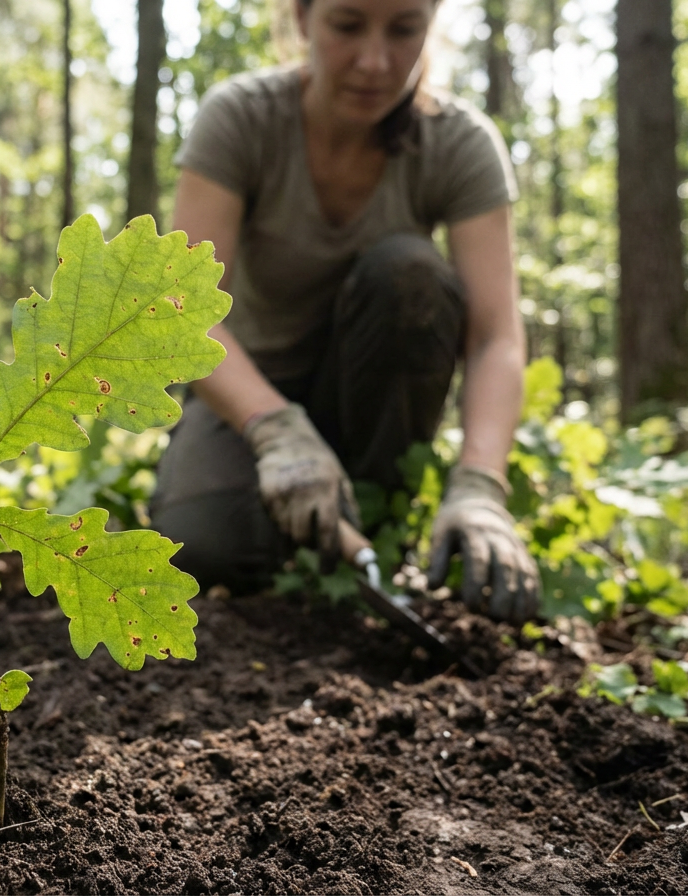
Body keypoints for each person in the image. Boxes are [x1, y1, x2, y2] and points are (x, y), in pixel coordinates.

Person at [148, 0, 540, 622]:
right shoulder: (241, 120)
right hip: (247, 394)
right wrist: (275, 428)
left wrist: (480, 485)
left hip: (372, 400)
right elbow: (184, 313)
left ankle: (377, 510)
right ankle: (314, 528)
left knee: (409, 274)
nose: (375, 61)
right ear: (303, 19)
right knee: (204, 548)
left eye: (404, 29)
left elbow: (496, 338)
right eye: (348, 25)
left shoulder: (458, 143)